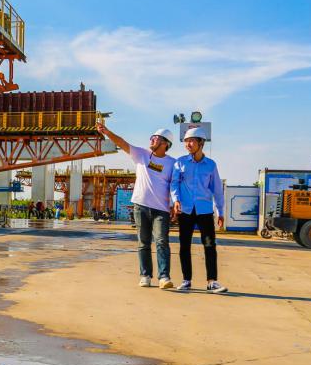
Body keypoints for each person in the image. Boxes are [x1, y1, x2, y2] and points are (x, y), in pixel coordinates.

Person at [97, 123, 176, 288]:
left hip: (161, 209)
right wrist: (107, 132)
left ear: (165, 144)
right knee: (143, 242)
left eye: (156, 138)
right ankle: (145, 275)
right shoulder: (141, 154)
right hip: (140, 206)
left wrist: (175, 204)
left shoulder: (172, 164)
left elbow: (175, 186)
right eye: (151, 137)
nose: (152, 139)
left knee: (162, 241)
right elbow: (122, 143)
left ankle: (164, 277)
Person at [170, 127, 227, 293]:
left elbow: (217, 189)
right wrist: (176, 200)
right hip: (186, 211)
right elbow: (174, 183)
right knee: (184, 246)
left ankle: (212, 282)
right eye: (186, 141)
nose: (188, 144)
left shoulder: (210, 165)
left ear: (201, 143)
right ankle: (186, 280)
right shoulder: (179, 162)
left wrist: (220, 211)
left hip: (205, 211)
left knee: (209, 245)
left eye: (192, 141)